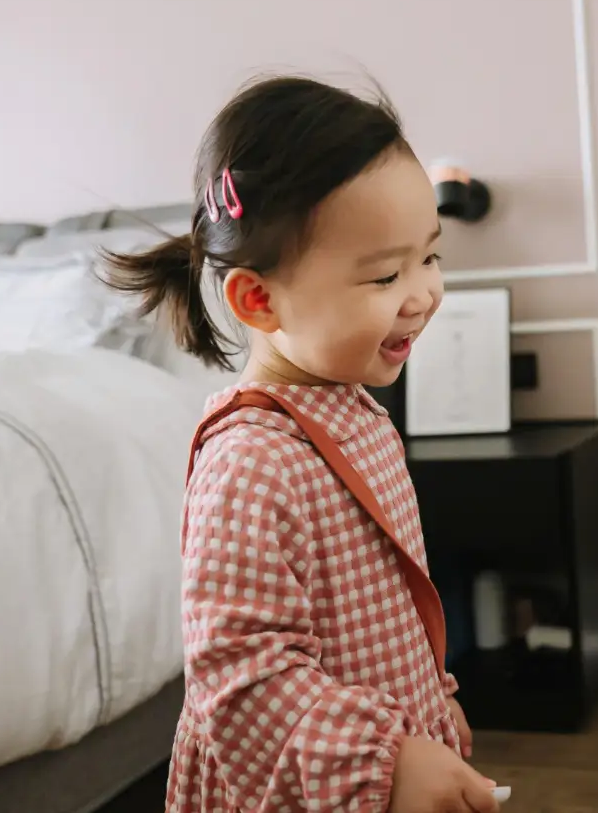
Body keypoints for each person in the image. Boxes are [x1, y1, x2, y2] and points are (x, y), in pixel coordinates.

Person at [101, 75, 501, 813]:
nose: (423, 294)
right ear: (258, 299)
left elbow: (388, 607)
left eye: (431, 258)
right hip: (299, 785)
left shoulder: (353, 412)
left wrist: (427, 704)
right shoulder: (251, 461)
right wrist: (383, 760)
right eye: (385, 274)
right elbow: (242, 680)